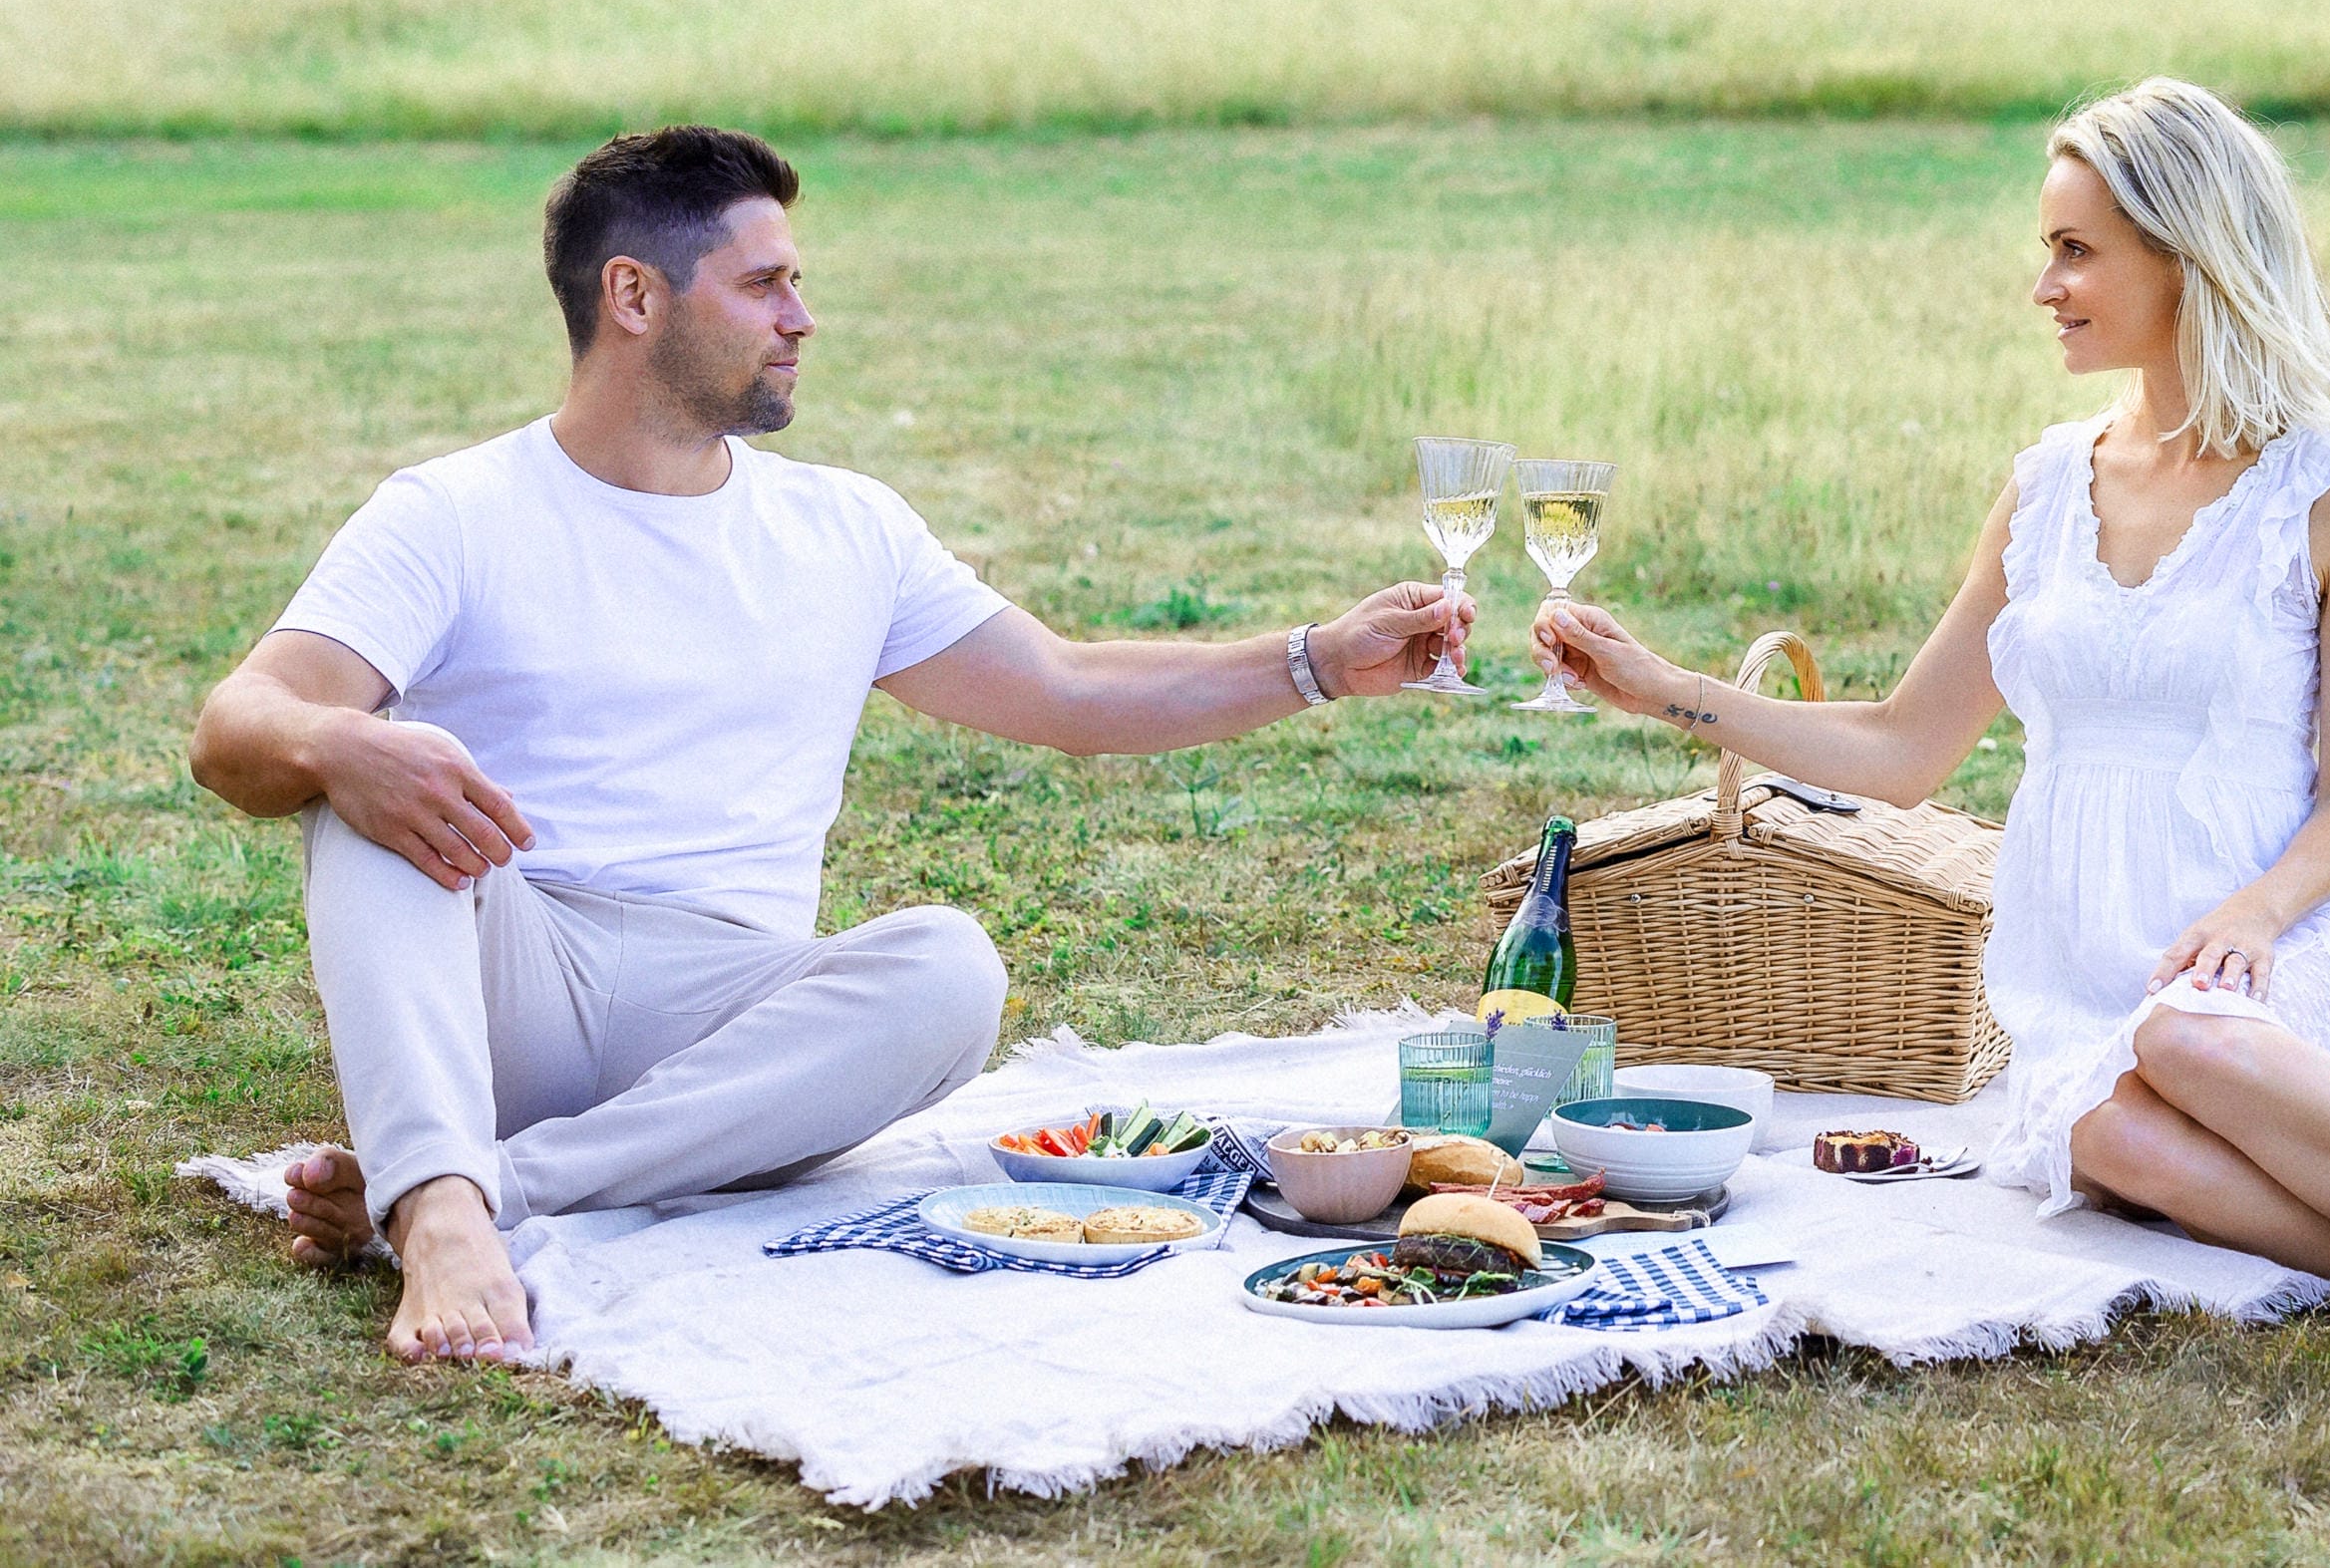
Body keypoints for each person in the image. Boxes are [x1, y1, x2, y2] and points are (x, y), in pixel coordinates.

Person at [1533, 79, 2330, 1411]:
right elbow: (1904, 746)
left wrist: (2254, 921)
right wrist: (1664, 690)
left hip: (2280, 970)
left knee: (2193, 1041)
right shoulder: (2042, 487)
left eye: (2076, 249)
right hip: (2084, 993)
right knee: (2112, 1135)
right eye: (2050, 247)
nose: (2045, 284)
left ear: (2185, 255)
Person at [186, 126, 1472, 1365]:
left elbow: (1071, 689)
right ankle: (443, 1202)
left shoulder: (845, 529)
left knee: (949, 970)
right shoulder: (453, 512)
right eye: (764, 284)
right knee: (361, 784)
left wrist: (1317, 661)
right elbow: (239, 725)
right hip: (507, 970)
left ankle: (467, 1193)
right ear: (634, 296)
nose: (801, 317)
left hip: (730, 1032)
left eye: (797, 283)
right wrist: (340, 746)